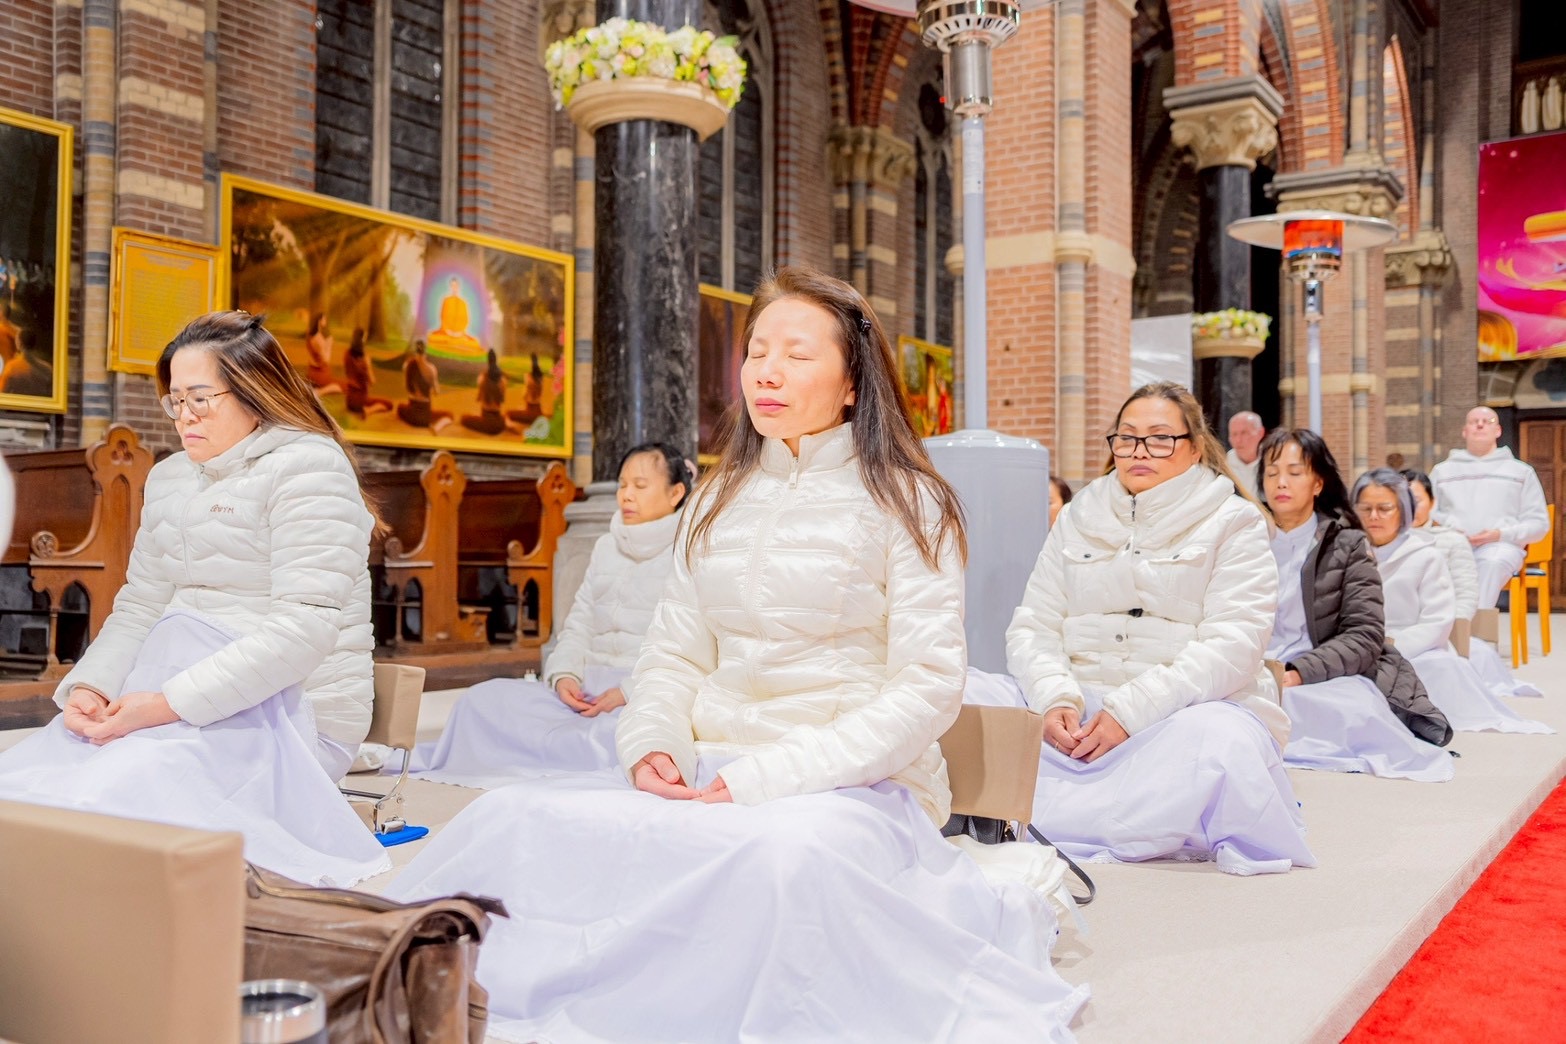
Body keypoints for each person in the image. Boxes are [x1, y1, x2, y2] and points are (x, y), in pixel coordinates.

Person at [386, 267, 1088, 1041]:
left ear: (853, 383)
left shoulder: (910, 502)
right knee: (515, 818)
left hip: (854, 785)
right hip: (708, 763)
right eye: (757, 351)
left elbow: (925, 689)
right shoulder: (720, 500)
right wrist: (652, 742)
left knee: (774, 865)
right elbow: (674, 655)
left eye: (796, 353)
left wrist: (763, 778)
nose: (767, 371)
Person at [0, 311, 389, 884]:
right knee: (33, 783)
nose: (183, 417)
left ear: (256, 392)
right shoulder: (171, 476)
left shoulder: (310, 466)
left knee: (118, 791)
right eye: (174, 401)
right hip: (170, 688)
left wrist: (159, 706)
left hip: (293, 706)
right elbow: (141, 604)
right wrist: (92, 687)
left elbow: (304, 631)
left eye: (200, 399)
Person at [1005, 382, 1314, 875]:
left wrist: (1130, 710)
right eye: (1126, 438)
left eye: (1159, 438)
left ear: (1194, 446)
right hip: (1079, 705)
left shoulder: (1233, 521)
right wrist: (1053, 699)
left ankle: (1081, 812)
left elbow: (1235, 646)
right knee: (966, 697)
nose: (1139, 451)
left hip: (1179, 711)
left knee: (1219, 737)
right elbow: (1032, 626)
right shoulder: (1077, 516)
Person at [405, 443, 692, 786]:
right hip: (586, 692)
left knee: (622, 739)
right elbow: (580, 622)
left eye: (640, 486)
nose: (626, 495)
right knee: (480, 700)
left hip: (640, 694)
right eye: (622, 485)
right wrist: (565, 676)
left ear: (676, 493)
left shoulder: (688, 550)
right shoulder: (605, 546)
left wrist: (628, 691)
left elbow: (687, 644)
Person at [1258, 430, 1452, 781]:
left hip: (1317, 673)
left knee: (1348, 711)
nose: (1280, 482)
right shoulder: (1245, 537)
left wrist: (1298, 673)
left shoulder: (1347, 544)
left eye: (1294, 472)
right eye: (1271, 473)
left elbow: (1364, 634)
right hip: (1251, 669)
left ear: (1318, 482)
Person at [1351, 468, 1550, 736]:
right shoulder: (1348, 553)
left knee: (1439, 668)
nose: (1374, 516)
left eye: (1384, 508)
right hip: (1360, 645)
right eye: (1366, 508)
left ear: (1402, 511)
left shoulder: (1426, 555)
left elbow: (1437, 621)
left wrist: (1393, 646)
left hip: (1415, 647)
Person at [1405, 467, 1540, 699]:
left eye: (1416, 500)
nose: (1409, 508)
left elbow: (1466, 593)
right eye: (1400, 500)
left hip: (1440, 628)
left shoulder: (1451, 540)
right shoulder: (1378, 543)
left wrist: (1450, 630)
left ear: (1433, 502)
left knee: (1466, 661)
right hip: (1397, 628)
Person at [1430, 407, 1549, 608]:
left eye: (1488, 421)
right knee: (1426, 562)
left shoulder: (1521, 472)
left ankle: (1474, 633)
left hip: (1500, 546)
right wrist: (1452, 527)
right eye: (1473, 421)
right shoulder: (1442, 472)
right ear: (1464, 431)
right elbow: (1427, 512)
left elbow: (1539, 524)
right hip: (1453, 543)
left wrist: (1499, 534)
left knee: (1491, 563)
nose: (1480, 424)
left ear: (1499, 431)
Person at [396, 340, 452, 431]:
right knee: (449, 415)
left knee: (400, 407)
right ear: (426, 352)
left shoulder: (407, 366)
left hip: (412, 413)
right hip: (426, 414)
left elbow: (406, 387)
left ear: (414, 352)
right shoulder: (431, 369)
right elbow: (437, 392)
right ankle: (437, 427)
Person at [342, 328, 392, 418]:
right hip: (361, 400)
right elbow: (372, 381)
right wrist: (368, 366)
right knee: (388, 404)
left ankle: (366, 409)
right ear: (362, 340)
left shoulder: (347, 354)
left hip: (349, 400)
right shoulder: (364, 360)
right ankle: (368, 410)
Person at [1225, 410, 1265, 498]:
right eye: (1234, 434)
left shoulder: (1272, 461)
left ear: (1261, 433)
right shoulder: (1223, 467)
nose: (1238, 440)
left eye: (1244, 433)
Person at [304, 312, 342, 397]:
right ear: (319, 321)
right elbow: (324, 360)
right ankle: (318, 392)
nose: (325, 321)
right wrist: (329, 344)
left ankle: (314, 388)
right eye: (324, 319)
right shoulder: (318, 338)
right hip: (320, 373)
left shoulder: (310, 335)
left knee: (338, 384)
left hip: (311, 371)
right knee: (338, 387)